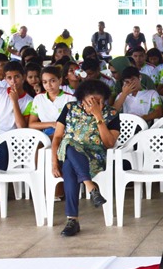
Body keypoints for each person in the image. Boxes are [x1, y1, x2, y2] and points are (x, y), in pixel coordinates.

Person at [51, 80, 119, 237]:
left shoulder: (112, 114)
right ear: (82, 100)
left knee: (69, 165)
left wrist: (98, 116)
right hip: (68, 150)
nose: (94, 104)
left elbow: (109, 143)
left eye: (98, 101)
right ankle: (91, 187)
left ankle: (72, 220)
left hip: (94, 157)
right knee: (69, 142)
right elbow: (57, 137)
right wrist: (54, 162)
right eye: (91, 102)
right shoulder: (69, 109)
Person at [0, 61, 33, 200]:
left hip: (10, 136)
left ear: (23, 77)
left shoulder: (29, 100)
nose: (13, 81)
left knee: (4, 151)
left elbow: (22, 127)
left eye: (17, 77)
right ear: (5, 78)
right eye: (9, 78)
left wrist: (15, 101)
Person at [29, 66, 76, 138]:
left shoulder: (70, 98)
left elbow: (75, 123)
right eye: (45, 82)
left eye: (52, 81)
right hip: (46, 133)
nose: (49, 85)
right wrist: (52, 124)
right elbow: (32, 124)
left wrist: (59, 127)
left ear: (60, 80)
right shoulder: (38, 98)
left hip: (66, 133)